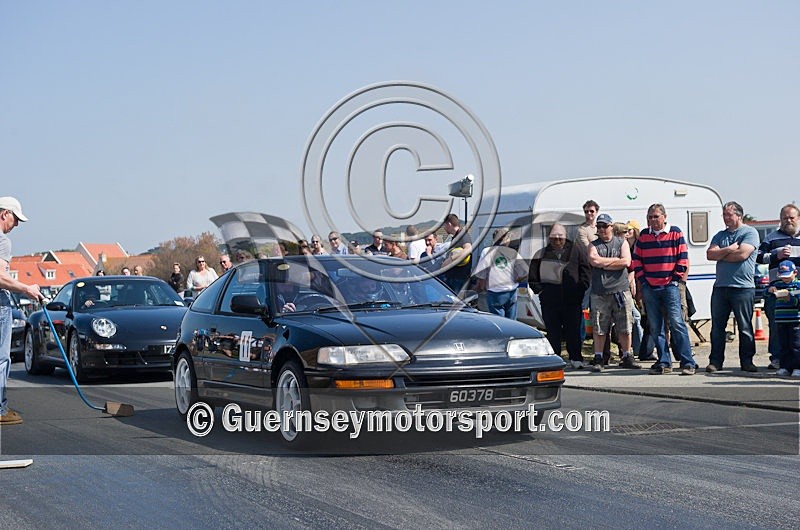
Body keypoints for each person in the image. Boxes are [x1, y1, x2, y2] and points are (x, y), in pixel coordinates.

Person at [632, 203, 696, 375]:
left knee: (677, 323)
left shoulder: (675, 233)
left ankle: (687, 362)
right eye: (650, 217)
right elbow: (636, 259)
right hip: (650, 287)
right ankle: (664, 362)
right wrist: (643, 281)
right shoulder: (644, 236)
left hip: (670, 286)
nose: (652, 220)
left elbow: (682, 258)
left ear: (664, 217)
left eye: (656, 216)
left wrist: (674, 280)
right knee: (656, 327)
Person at [0, 197, 43, 425]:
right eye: (15, 219)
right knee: (1, 357)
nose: (15, 225)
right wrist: (27, 288)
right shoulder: (2, 241)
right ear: (4, 214)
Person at [706, 201, 759, 373]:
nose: (726, 218)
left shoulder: (750, 233)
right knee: (717, 327)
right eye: (724, 215)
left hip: (743, 288)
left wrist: (721, 254)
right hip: (721, 287)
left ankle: (747, 361)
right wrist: (729, 249)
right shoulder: (719, 235)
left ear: (739, 215)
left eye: (729, 214)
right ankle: (715, 361)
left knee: (744, 326)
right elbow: (710, 254)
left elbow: (742, 254)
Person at [529, 224, 590, 367]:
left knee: (573, 331)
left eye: (560, 238)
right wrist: (540, 291)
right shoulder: (541, 253)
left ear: (565, 237)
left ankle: (576, 359)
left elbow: (585, 271)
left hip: (572, 300)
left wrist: (580, 288)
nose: (557, 241)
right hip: (550, 301)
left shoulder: (577, 250)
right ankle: (555, 360)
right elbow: (533, 275)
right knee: (553, 332)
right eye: (554, 238)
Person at [587, 214, 639, 371]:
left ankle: (626, 356)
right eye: (599, 226)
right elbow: (593, 260)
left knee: (625, 325)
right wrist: (614, 262)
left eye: (605, 226)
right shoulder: (593, 245)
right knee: (599, 326)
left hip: (620, 291)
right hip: (599, 292)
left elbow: (626, 261)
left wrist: (604, 264)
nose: (602, 229)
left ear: (611, 227)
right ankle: (599, 357)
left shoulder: (621, 242)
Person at [756, 204, 800, 370]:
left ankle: (797, 362)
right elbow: (758, 257)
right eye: (784, 218)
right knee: (777, 325)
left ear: (798, 218)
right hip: (777, 290)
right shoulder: (771, 238)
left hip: (798, 289)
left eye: (791, 217)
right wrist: (776, 255)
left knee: (797, 328)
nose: (788, 221)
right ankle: (777, 359)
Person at [473, 228, 528, 319]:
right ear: (505, 239)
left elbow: (482, 274)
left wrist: (481, 288)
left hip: (495, 292)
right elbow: (525, 272)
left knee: (500, 322)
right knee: (512, 322)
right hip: (511, 292)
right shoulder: (513, 253)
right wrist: (516, 280)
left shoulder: (487, 252)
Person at [767, 261, 800, 377]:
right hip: (781, 320)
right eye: (782, 276)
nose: (785, 279)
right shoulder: (778, 285)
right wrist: (770, 290)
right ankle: (785, 366)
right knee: (783, 345)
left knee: (796, 345)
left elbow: (798, 301)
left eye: (787, 276)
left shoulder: (798, 285)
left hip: (795, 320)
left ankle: (797, 367)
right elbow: (767, 293)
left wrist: (790, 298)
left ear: (795, 273)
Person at [439, 213, 473, 294]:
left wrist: (450, 260)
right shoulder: (455, 236)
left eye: (444, 225)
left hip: (459, 278)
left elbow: (468, 249)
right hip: (453, 277)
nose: (444, 228)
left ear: (449, 224)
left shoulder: (462, 234)